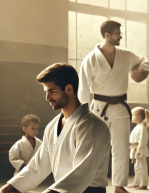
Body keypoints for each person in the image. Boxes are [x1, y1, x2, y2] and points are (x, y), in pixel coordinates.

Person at [0, 63, 111, 193]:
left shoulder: (92, 125)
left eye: (52, 92)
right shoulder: (52, 126)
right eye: (46, 92)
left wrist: (51, 191)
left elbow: (81, 173)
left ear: (69, 88)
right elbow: (38, 166)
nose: (47, 98)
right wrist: (11, 187)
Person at [78, 20, 149, 193]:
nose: (120, 36)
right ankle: (97, 185)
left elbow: (145, 61)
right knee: (99, 149)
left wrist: (140, 71)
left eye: (120, 33)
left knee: (121, 149)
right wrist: (83, 114)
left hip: (120, 108)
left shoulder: (125, 55)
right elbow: (83, 89)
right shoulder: (90, 59)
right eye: (117, 33)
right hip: (98, 109)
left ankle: (119, 186)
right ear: (107, 35)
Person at [127, 107, 149, 190]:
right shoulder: (137, 127)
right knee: (137, 168)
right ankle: (137, 183)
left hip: (140, 150)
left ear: (139, 117)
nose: (131, 117)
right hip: (135, 150)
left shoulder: (142, 128)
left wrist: (139, 149)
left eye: (133, 115)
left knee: (142, 168)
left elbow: (143, 141)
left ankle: (143, 183)